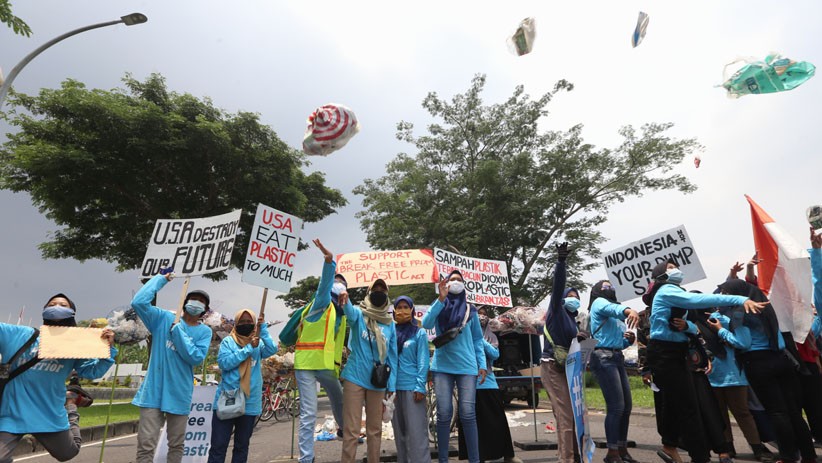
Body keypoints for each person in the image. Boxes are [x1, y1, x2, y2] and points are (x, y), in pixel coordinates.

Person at [646, 259, 766, 463]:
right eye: (671, 268)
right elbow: (696, 302)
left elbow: (695, 323)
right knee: (687, 407)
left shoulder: (677, 293)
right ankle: (699, 456)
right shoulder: (667, 290)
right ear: (661, 276)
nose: (677, 270)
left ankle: (670, 446)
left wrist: (687, 327)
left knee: (680, 404)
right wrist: (739, 299)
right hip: (665, 353)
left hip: (678, 352)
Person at [0, 294, 117, 462]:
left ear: (72, 313)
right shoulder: (18, 334)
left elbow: (91, 371)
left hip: (49, 413)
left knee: (67, 453)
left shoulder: (76, 345)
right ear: (44, 310)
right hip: (12, 413)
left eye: (63, 305)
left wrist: (108, 349)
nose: (56, 307)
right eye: (52, 304)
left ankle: (71, 407)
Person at [131, 272, 213, 463]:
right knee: (146, 444)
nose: (196, 303)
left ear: (205, 310)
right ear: (184, 302)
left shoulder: (204, 332)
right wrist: (161, 279)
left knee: (176, 444)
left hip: (179, 393)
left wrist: (179, 333)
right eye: (193, 299)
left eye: (201, 302)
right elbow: (138, 303)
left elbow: (195, 357)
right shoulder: (163, 318)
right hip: (153, 392)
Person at [422, 270, 486, 463]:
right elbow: (426, 323)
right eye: (452, 280)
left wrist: (481, 364)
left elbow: (477, 340)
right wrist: (440, 299)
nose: (456, 282)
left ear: (464, 285)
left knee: (467, 414)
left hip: (467, 367)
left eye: (459, 280)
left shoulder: (471, 310)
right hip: (442, 366)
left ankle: (474, 460)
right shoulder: (440, 305)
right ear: (446, 284)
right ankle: (443, 460)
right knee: (443, 414)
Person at [292, 239, 348, 463]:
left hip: (327, 367)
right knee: (308, 413)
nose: (338, 285)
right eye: (337, 282)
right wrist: (329, 261)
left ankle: (345, 431)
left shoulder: (343, 313)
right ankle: (306, 458)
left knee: (340, 401)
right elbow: (325, 284)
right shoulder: (321, 302)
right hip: (306, 363)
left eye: (343, 284)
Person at [338, 278, 397, 463]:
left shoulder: (390, 324)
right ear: (368, 293)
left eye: (382, 290)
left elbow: (392, 357)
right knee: (351, 431)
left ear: (387, 296)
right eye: (375, 289)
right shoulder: (359, 314)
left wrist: (391, 385)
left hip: (378, 381)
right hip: (355, 377)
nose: (378, 292)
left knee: (375, 430)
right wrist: (345, 301)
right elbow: (349, 312)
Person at [207, 309, 277, 463]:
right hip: (228, 399)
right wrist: (247, 349)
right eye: (242, 322)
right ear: (236, 324)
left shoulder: (258, 344)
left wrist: (262, 328)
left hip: (249, 402)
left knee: (242, 446)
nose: (246, 324)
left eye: (249, 322)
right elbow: (225, 363)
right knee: (218, 446)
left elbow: (272, 349)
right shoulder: (228, 342)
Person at [704, 309, 773, 462]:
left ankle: (756, 448)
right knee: (720, 415)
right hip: (711, 376)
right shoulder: (695, 325)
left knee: (742, 413)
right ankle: (728, 448)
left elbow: (743, 343)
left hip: (733, 374)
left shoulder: (731, 320)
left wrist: (720, 329)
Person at [457, 307, 523, 463]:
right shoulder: (463, 332)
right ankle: (477, 456)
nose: (481, 317)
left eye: (484, 314)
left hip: (488, 383)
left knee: (497, 421)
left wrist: (479, 340)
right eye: (478, 313)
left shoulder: (491, 335)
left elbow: (495, 354)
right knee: (473, 423)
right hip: (468, 383)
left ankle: (507, 454)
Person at [588, 281, 640, 463]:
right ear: (597, 292)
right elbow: (612, 309)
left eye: (611, 287)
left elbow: (616, 341)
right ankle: (612, 452)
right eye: (605, 287)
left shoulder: (615, 309)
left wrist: (627, 340)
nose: (609, 290)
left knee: (626, 407)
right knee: (616, 406)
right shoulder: (599, 303)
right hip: (603, 357)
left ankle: (622, 448)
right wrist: (629, 310)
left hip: (616, 357)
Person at [540, 242, 581, 463]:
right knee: (566, 416)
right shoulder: (556, 311)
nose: (575, 298)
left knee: (572, 416)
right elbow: (558, 286)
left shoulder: (573, 320)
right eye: (570, 295)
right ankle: (567, 459)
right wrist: (561, 262)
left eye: (578, 296)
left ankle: (575, 456)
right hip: (552, 367)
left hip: (568, 369)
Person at [390, 296, 431, 463]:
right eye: (399, 307)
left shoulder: (419, 332)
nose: (402, 310)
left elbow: (423, 360)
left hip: (413, 388)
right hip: (394, 389)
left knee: (416, 432)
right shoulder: (390, 332)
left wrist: (420, 386)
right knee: (399, 432)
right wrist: (388, 388)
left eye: (406, 307)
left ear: (412, 310)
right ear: (393, 311)